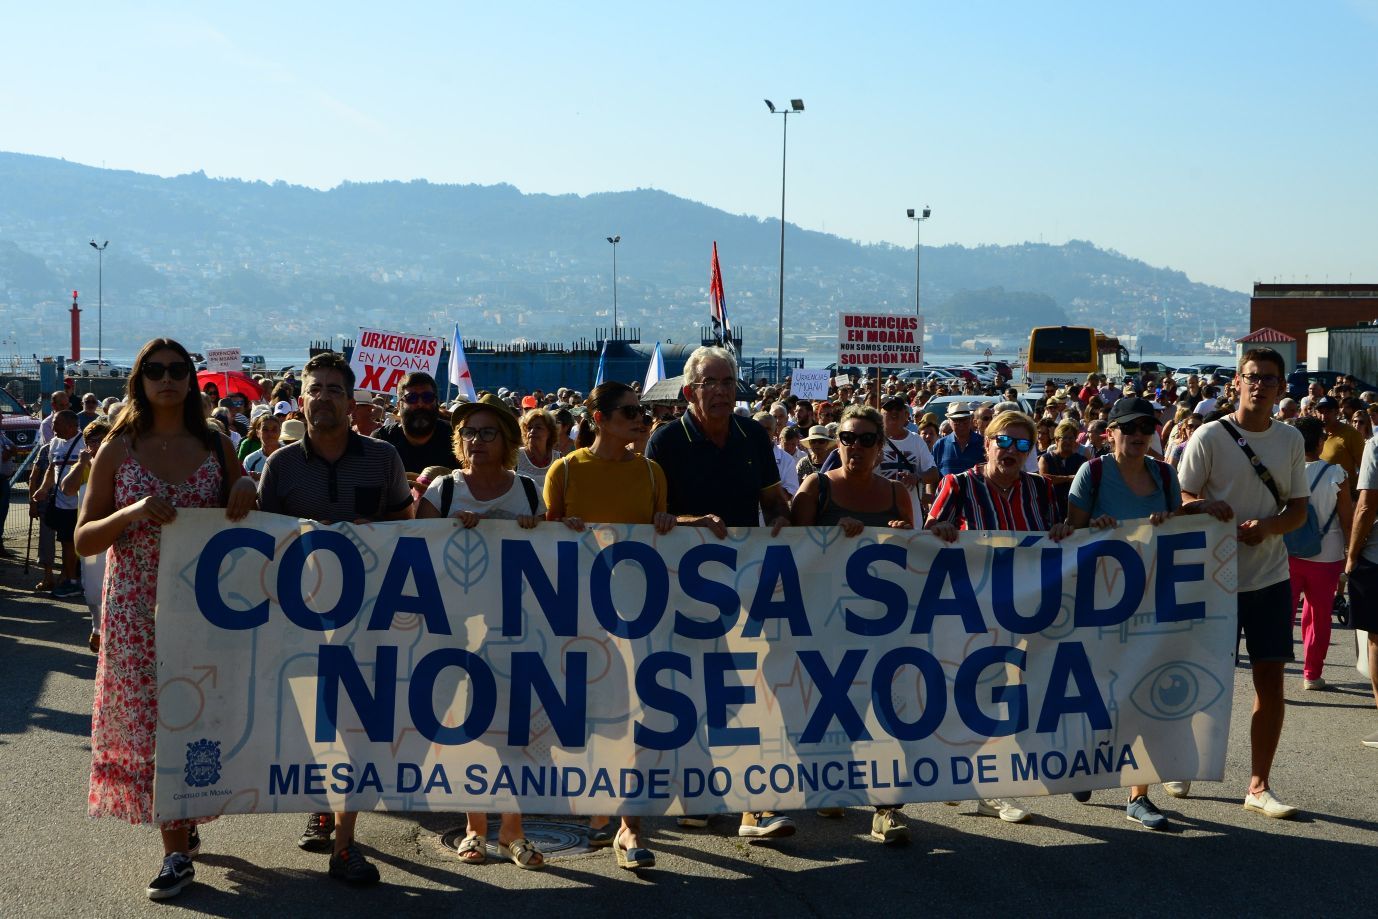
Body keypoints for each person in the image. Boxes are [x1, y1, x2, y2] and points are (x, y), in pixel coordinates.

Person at [75, 338, 256, 900]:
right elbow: (83, 538)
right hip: (134, 610)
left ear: (191, 379)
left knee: (196, 717)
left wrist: (247, 484)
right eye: (155, 370)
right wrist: (129, 512)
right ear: (140, 379)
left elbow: (243, 512)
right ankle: (175, 851)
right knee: (154, 727)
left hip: (202, 610)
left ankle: (182, 823)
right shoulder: (117, 448)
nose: (168, 379)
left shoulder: (217, 444)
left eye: (179, 369)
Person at [258, 351, 414, 885]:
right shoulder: (280, 467)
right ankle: (321, 802)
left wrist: (372, 527)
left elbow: (405, 523)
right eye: (314, 388)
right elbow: (261, 540)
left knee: (353, 723)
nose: (323, 396)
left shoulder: (383, 458)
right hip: (299, 618)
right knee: (307, 718)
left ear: (351, 401)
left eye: (334, 389)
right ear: (301, 400)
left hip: (367, 613)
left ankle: (345, 844)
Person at [645, 345, 795, 840]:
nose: (722, 391)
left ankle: (755, 805)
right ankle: (696, 794)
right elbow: (649, 519)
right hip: (682, 589)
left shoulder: (753, 434)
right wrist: (691, 522)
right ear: (690, 391)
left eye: (728, 381)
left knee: (752, 691)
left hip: (748, 585)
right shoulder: (665, 441)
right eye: (711, 383)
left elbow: (773, 502)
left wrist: (778, 523)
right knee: (694, 692)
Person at [1063, 397, 1234, 829]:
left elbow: (1176, 526)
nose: (1140, 434)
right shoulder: (1093, 472)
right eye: (1130, 427)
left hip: (1153, 603)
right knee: (1100, 693)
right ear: (1111, 433)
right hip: (1100, 602)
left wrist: (1194, 511)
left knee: (1145, 691)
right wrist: (1093, 529)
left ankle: (1139, 794)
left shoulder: (1163, 473)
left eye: (1147, 427)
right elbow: (1068, 536)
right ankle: (1087, 764)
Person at [544, 381, 674, 869]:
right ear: (599, 419)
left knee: (638, 721)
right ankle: (601, 806)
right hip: (579, 619)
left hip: (638, 616)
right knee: (597, 720)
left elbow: (662, 533)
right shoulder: (566, 470)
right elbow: (539, 540)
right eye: (628, 413)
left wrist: (674, 521)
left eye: (641, 412)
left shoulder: (651, 471)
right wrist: (560, 528)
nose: (639, 420)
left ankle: (628, 826)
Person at [1178, 347, 1309, 818]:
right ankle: (1182, 759)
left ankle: (1258, 785)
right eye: (1252, 377)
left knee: (1270, 677)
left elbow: (1298, 509)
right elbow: (1183, 493)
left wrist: (1268, 528)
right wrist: (1205, 509)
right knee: (1197, 677)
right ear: (1237, 381)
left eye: (1269, 379)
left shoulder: (1290, 439)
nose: (1259, 385)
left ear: (1280, 387)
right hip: (1211, 577)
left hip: (1268, 576)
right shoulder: (1210, 435)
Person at [417, 392, 546, 869]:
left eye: (488, 432)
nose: (477, 441)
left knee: (513, 731)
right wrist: (452, 532)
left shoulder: (529, 491)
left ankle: (513, 829)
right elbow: (415, 553)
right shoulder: (443, 492)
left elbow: (553, 559)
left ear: (508, 440)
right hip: (454, 629)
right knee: (471, 729)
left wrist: (542, 528)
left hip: (513, 628)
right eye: (469, 432)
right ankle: (475, 826)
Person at [927, 410, 1072, 824]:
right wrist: (939, 530)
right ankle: (984, 786)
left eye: (1023, 445)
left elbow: (1052, 533)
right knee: (981, 696)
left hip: (1028, 610)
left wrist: (1062, 531)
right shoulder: (959, 484)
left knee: (1020, 695)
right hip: (975, 609)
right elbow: (931, 527)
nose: (1012, 451)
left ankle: (983, 780)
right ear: (987, 443)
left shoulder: (1041, 490)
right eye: (1004, 442)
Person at [791, 405, 913, 844]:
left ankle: (888, 808)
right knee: (832, 710)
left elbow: (912, 560)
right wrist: (828, 541)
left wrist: (902, 535)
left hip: (883, 626)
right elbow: (793, 558)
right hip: (826, 622)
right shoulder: (815, 487)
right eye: (846, 438)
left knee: (887, 712)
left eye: (865, 440)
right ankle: (831, 783)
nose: (854, 447)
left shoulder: (898, 494)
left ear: (881, 446)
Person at [1283, 416, 1352, 691]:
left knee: (1282, 615)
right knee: (1319, 615)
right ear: (1321, 442)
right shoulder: (1337, 475)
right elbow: (1347, 519)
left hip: (1286, 552)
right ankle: (1312, 673)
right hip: (1328, 554)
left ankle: (1273, 673)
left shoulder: (1285, 471)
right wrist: (1350, 552)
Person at [60, 417, 112, 652]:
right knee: (92, 588)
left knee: (112, 587)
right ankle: (97, 628)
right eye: (92, 441)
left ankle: (111, 631)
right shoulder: (83, 464)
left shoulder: (118, 462)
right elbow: (67, 489)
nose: (96, 445)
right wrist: (81, 465)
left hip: (115, 534)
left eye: (101, 440)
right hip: (90, 535)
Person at [1342, 435, 1378, 750]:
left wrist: (1352, 555)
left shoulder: (1376, 443)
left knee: (1376, 640)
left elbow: (1366, 505)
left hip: (1376, 558)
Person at [31, 410, 85, 598]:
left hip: (79, 504)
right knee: (66, 544)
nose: (52, 427)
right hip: (61, 504)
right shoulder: (54, 443)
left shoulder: (84, 443)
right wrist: (44, 488)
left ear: (71, 426)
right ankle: (71, 580)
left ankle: (75, 580)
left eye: (56, 424)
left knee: (74, 545)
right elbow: (51, 469)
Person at [372, 371, 457, 474]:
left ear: (437, 402)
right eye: (412, 398)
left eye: (427, 397)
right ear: (399, 405)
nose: (420, 404)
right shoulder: (382, 440)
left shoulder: (455, 438)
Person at [1039, 419, 1089, 518]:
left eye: (1071, 438)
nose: (1068, 441)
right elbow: (1044, 479)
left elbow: (1085, 482)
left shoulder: (1081, 460)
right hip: (1051, 509)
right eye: (1064, 438)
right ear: (1057, 440)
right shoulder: (1046, 458)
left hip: (1074, 508)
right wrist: (1068, 478)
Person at [1315, 396, 1365, 488]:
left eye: (1328, 412)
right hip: (1320, 495)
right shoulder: (1315, 434)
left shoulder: (1352, 434)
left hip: (1344, 496)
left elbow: (1364, 469)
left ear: (1337, 412)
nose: (1323, 416)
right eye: (1320, 412)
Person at [929, 402, 984, 476]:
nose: (961, 424)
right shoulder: (940, 445)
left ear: (970, 419)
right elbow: (933, 475)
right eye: (956, 420)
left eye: (964, 420)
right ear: (949, 421)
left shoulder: (983, 443)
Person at [515, 407, 561, 494]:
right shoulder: (516, 457)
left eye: (538, 428)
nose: (532, 431)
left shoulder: (559, 459)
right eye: (529, 428)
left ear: (550, 432)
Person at [240, 414, 283, 479]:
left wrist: (263, 478)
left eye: (274, 429)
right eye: (265, 430)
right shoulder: (250, 460)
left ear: (280, 432)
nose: (270, 434)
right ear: (258, 433)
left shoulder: (290, 456)